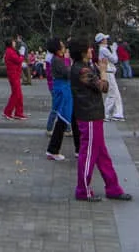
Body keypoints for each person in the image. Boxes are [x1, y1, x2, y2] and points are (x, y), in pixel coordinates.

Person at [68, 37, 133, 203]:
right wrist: (103, 71)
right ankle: (83, 189)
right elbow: (103, 87)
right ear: (83, 52)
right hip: (88, 115)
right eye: (89, 49)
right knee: (88, 153)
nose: (92, 51)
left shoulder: (84, 68)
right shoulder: (81, 70)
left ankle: (113, 187)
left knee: (101, 154)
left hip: (93, 114)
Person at [45, 38, 77, 161]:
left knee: (69, 117)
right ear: (57, 49)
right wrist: (71, 63)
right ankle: (53, 150)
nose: (64, 47)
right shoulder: (57, 60)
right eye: (62, 46)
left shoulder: (58, 59)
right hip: (62, 90)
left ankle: (77, 148)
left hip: (65, 89)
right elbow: (67, 73)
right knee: (62, 118)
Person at [95, 34, 125, 121]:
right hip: (108, 73)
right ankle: (105, 113)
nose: (107, 40)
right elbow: (114, 59)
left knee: (116, 94)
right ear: (102, 40)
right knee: (112, 94)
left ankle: (118, 113)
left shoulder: (103, 49)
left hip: (110, 72)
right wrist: (114, 50)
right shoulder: (103, 49)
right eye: (105, 39)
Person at [2, 38, 27, 120]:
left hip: (15, 74)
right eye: (13, 42)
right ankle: (7, 112)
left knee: (18, 94)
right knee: (16, 94)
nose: (14, 43)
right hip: (13, 75)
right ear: (10, 43)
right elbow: (18, 60)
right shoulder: (10, 51)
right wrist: (22, 55)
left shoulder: (11, 51)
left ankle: (18, 112)